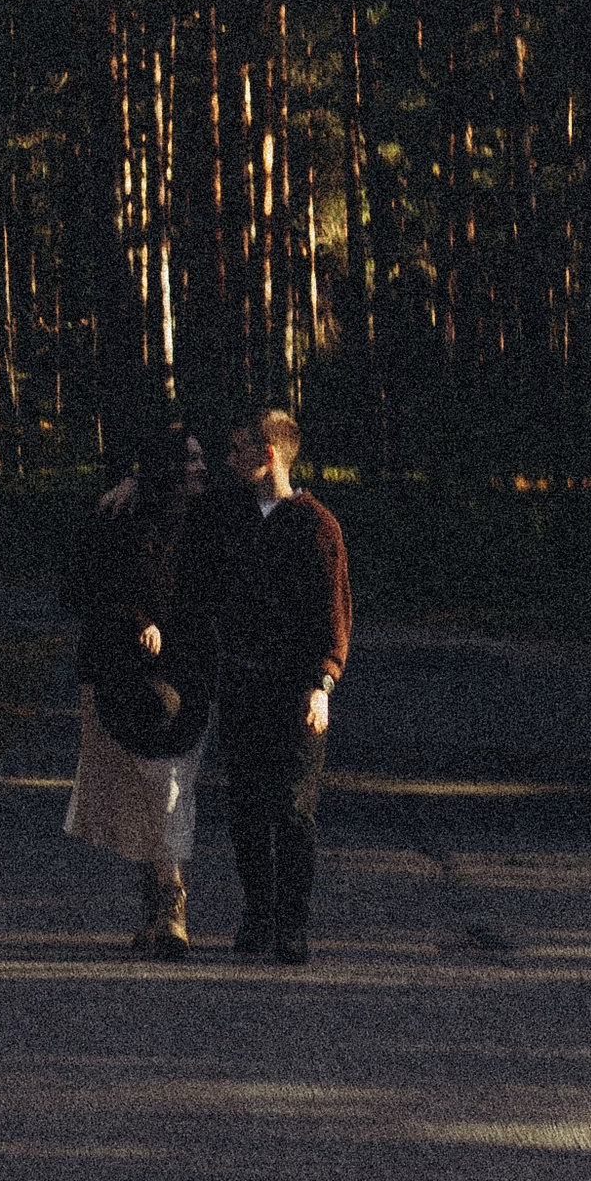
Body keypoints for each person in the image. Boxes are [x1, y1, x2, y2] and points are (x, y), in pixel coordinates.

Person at [62, 424, 217, 954]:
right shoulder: (118, 517)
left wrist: (168, 626)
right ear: (165, 468)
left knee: (168, 787)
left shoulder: (209, 520)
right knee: (137, 792)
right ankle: (155, 903)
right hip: (119, 679)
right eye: (189, 459)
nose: (200, 467)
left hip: (185, 679)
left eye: (202, 457)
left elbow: (209, 597)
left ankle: (171, 900)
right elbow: (79, 589)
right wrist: (135, 619)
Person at [213, 407, 352, 965]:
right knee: (246, 808)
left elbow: (335, 616)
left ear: (267, 455)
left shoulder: (317, 526)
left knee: (294, 809)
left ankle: (292, 924)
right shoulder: (231, 518)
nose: (230, 460)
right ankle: (258, 915)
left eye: (239, 450)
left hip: (296, 691)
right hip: (242, 686)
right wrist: (127, 485)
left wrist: (323, 683)